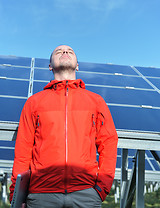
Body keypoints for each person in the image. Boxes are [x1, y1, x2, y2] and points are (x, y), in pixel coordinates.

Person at [10, 45, 118, 208]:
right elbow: (23, 150)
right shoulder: (34, 102)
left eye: (70, 51)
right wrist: (16, 194)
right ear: (50, 66)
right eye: (58, 52)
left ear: (77, 65)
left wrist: (101, 188)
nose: (65, 52)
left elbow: (108, 143)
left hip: (86, 194)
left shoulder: (95, 101)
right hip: (41, 194)